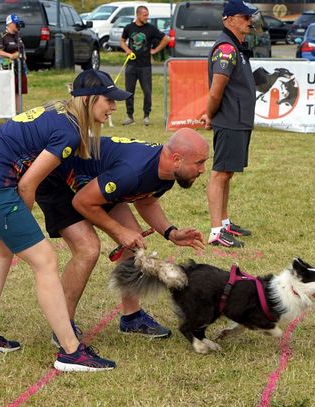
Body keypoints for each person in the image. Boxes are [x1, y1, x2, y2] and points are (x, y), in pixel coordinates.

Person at [0, 69, 131, 372]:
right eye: (109, 100)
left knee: (1, 252)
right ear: (88, 100)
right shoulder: (70, 132)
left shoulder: (58, 109)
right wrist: (19, 219)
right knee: (45, 261)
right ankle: (71, 352)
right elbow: (27, 185)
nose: (114, 106)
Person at [35, 128, 209, 365]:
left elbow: (145, 199)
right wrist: (118, 231)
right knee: (88, 249)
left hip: (98, 180)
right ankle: (62, 326)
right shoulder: (133, 171)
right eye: (199, 163)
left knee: (133, 242)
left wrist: (171, 232)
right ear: (177, 159)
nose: (202, 170)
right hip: (59, 179)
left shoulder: (167, 173)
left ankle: (131, 317)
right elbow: (83, 201)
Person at [201, 0, 257, 248]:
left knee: (228, 173)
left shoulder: (236, 47)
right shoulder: (226, 48)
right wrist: (209, 115)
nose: (249, 20)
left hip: (239, 119)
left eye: (249, 17)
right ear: (229, 19)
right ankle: (215, 231)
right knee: (219, 174)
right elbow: (216, 91)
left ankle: (224, 222)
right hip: (230, 119)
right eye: (245, 16)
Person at [119, 5, 170, 126]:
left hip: (145, 66)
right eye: (144, 15)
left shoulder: (151, 29)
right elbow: (121, 41)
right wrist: (127, 49)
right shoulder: (129, 27)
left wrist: (155, 50)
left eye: (147, 15)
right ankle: (129, 116)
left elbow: (166, 39)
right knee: (129, 91)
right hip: (131, 65)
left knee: (147, 91)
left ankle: (146, 116)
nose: (147, 17)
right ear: (138, 15)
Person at [0, 14, 27, 113]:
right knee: (9, 91)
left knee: (19, 90)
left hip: (20, 66)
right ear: (9, 24)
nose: (18, 26)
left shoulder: (18, 35)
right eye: (15, 24)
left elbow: (22, 47)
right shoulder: (2, 36)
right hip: (8, 68)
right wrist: (10, 55)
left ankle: (18, 111)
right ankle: (9, 111)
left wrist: (24, 56)